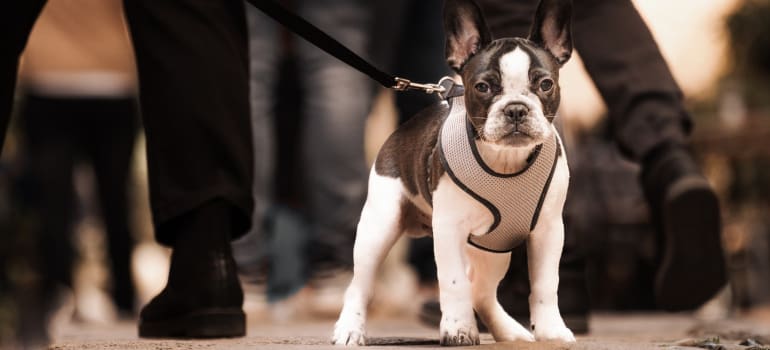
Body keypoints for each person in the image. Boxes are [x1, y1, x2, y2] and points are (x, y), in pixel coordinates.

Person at [3, 0, 254, 339]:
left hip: (53, 80)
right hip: (112, 79)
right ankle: (206, 254)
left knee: (58, 206)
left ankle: (192, 259)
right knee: (190, 9)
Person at [17, 0, 139, 320]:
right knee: (116, 197)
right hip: (113, 74)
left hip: (48, 73)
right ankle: (124, 293)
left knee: (53, 200)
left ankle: (57, 291)